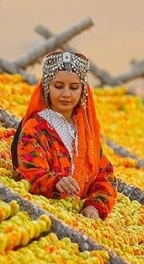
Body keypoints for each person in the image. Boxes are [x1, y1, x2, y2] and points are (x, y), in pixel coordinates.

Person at [11, 50, 117, 220]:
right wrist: (55, 182)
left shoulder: (84, 133)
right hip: (44, 216)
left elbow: (104, 174)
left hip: (83, 221)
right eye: (58, 86)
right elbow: (30, 171)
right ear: (46, 87)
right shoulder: (35, 129)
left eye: (74, 87)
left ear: (83, 90)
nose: (66, 94)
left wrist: (94, 205)